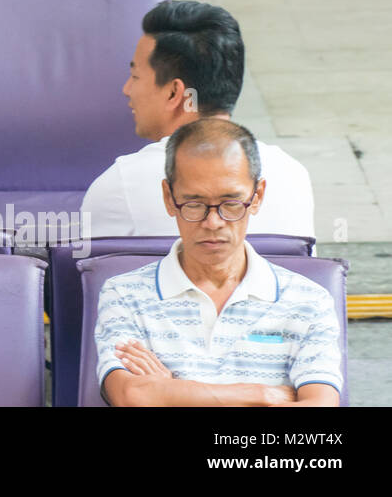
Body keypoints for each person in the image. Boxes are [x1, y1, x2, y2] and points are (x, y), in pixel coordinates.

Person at [94, 118, 342, 407]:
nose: (213, 222)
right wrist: (261, 394)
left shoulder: (309, 301)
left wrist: (172, 390)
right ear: (169, 198)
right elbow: (132, 396)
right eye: (194, 204)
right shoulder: (124, 295)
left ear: (257, 196)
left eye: (231, 204)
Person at [81, 0, 315, 238]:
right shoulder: (292, 176)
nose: (127, 89)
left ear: (174, 93)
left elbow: (90, 273)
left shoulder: (119, 187)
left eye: (135, 76)